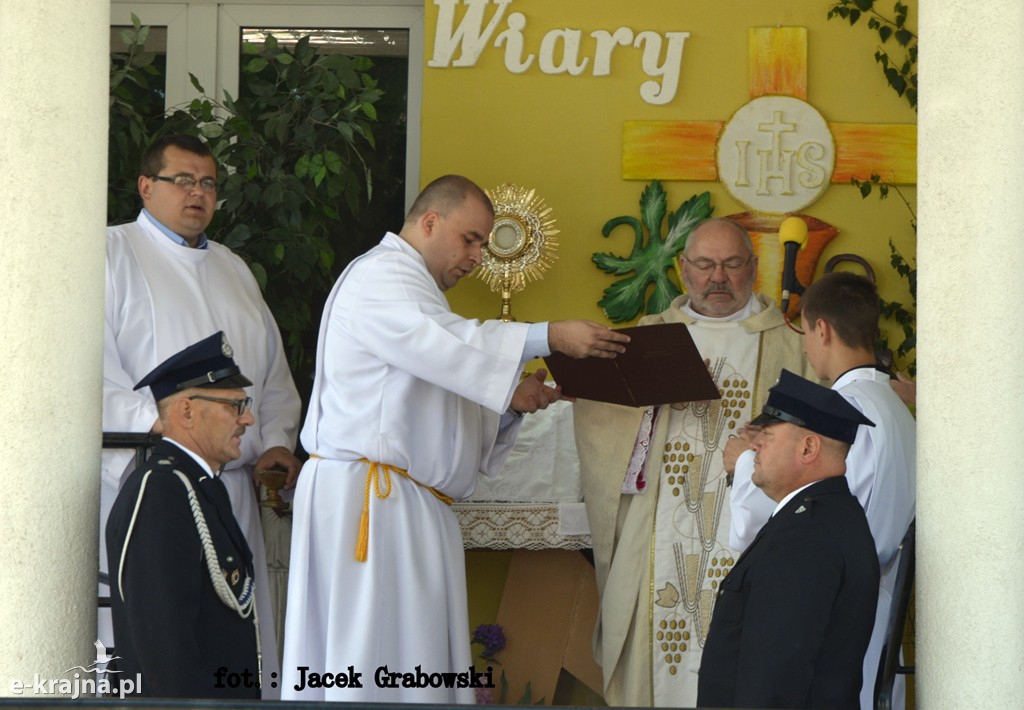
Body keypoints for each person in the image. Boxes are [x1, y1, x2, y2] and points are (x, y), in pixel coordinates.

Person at [281, 174, 630, 703]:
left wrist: (512, 402)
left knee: (409, 660)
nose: (477, 257)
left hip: (403, 504)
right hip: (371, 506)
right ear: (429, 222)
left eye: (485, 246)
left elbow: (432, 380)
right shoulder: (383, 277)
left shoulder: (414, 290)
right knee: (372, 663)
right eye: (470, 240)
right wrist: (548, 334)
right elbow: (440, 345)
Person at [573, 218, 814, 706]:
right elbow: (608, 429)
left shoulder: (790, 341)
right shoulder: (647, 338)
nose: (717, 278)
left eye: (730, 264)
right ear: (684, 271)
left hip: (750, 529)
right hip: (660, 522)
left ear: (753, 268)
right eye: (704, 265)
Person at [102, 134, 301, 697]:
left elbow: (272, 377)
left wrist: (277, 441)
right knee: (167, 637)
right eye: (182, 180)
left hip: (233, 485)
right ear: (146, 186)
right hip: (151, 481)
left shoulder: (234, 268)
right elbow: (84, 369)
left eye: (208, 182)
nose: (198, 193)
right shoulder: (111, 252)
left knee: (234, 640)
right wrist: (162, 424)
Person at [728, 271, 916, 710]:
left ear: (822, 329)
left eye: (808, 333)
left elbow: (780, 523)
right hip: (876, 600)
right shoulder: (895, 405)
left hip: (836, 611)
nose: (809, 348)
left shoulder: (844, 415)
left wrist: (743, 462)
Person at [697, 369, 880, 710]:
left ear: (809, 447)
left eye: (767, 434)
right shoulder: (818, 517)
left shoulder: (806, 534)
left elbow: (776, 676)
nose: (754, 445)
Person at [106, 332, 262, 699]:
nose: (249, 419)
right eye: (234, 406)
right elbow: (163, 646)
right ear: (187, 411)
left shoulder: (196, 485)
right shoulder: (162, 492)